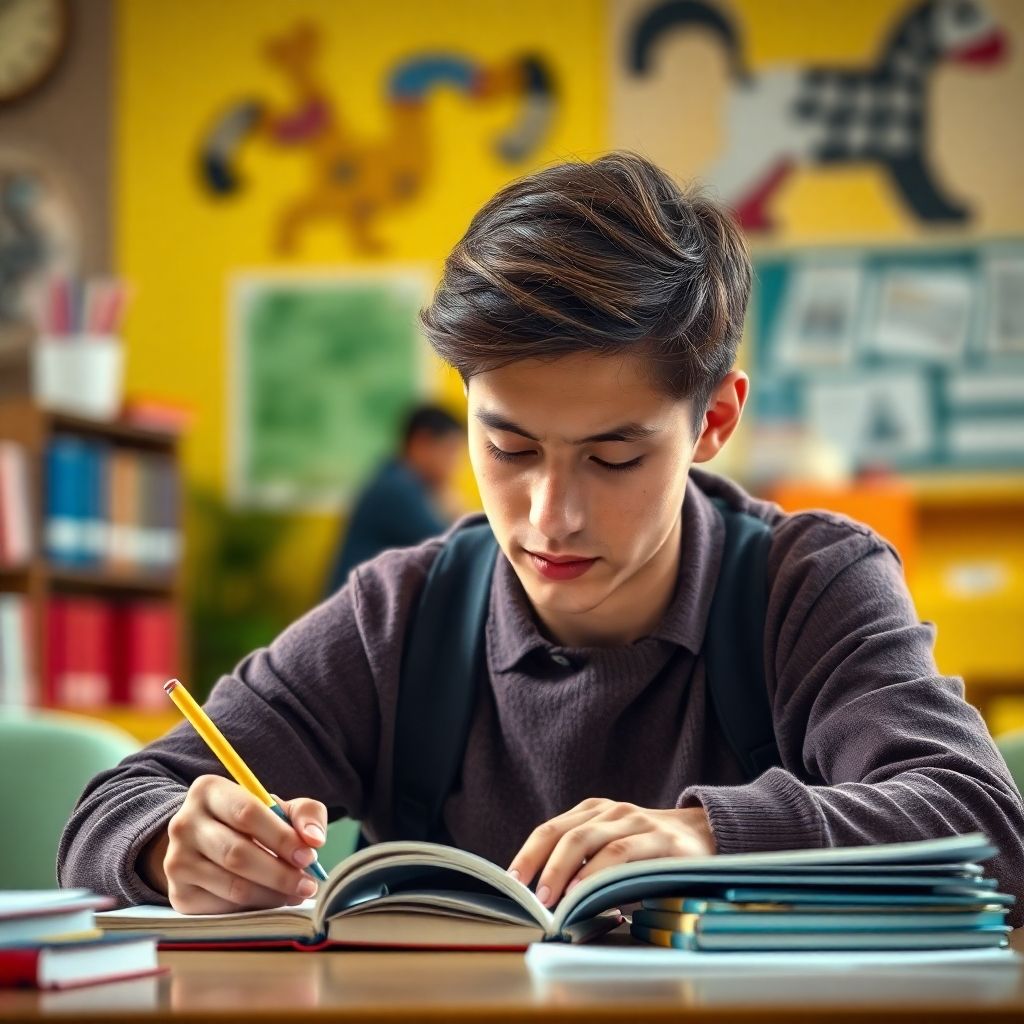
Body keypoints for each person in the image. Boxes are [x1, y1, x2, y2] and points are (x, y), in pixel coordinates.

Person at [59, 153, 1024, 924]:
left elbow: (986, 828)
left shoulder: (807, 586)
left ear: (715, 422)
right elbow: (110, 809)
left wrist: (710, 836)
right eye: (509, 447)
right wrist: (173, 845)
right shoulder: (403, 614)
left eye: (614, 457)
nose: (550, 515)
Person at [324, 403, 464, 593]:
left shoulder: (397, 478)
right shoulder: (397, 489)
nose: (455, 464)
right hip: (356, 605)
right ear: (421, 442)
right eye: (450, 451)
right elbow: (455, 549)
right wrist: (455, 511)